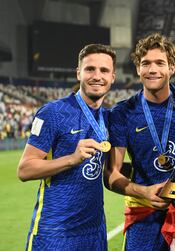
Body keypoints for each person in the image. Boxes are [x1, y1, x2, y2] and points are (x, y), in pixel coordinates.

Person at [104, 33, 175, 251]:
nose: (152, 69)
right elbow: (111, 174)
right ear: (138, 69)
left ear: (172, 68)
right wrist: (143, 192)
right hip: (143, 215)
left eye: (160, 63)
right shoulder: (122, 113)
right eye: (146, 63)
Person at [17, 44, 116, 250]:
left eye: (104, 70)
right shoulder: (53, 113)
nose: (97, 76)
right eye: (90, 69)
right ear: (78, 73)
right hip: (55, 232)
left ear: (112, 77)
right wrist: (72, 158)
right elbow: (25, 169)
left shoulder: (108, 117)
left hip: (95, 232)